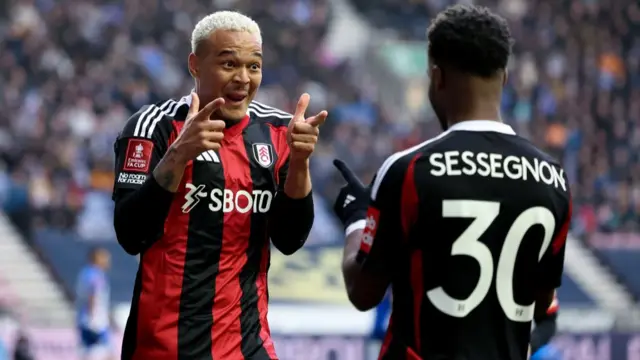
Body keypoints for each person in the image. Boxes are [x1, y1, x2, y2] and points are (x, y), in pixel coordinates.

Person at [332, 4, 571, 360]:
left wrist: (356, 218)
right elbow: (541, 305)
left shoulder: (408, 169)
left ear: (437, 77)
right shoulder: (553, 177)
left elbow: (362, 292)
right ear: (504, 78)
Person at [111, 11, 326, 360]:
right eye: (229, 64)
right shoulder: (154, 126)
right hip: (165, 348)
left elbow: (290, 240)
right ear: (195, 65)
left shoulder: (279, 131)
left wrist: (300, 162)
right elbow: (130, 234)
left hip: (248, 345)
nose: (243, 78)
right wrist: (179, 155)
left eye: (253, 66)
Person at [76, 247, 113, 360]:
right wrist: (93, 318)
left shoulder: (86, 272)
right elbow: (92, 295)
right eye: (105, 257)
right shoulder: (95, 275)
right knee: (107, 354)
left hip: (85, 318)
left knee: (88, 352)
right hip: (95, 321)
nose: (108, 260)